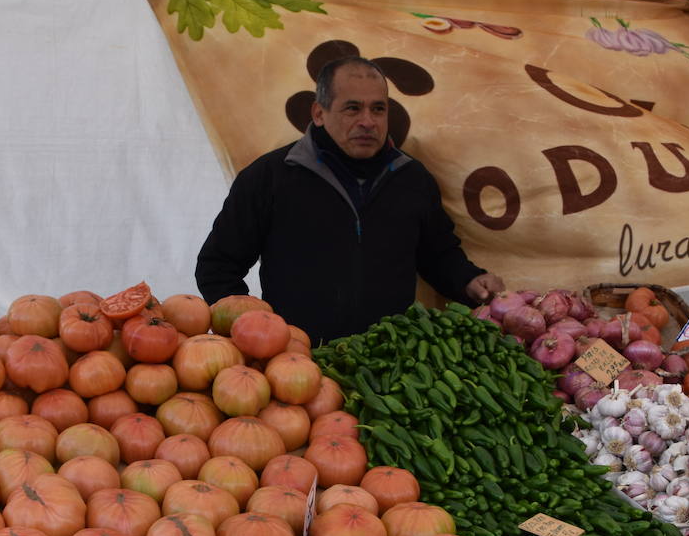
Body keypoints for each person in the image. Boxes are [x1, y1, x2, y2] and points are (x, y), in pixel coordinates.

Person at [195, 56, 504, 343]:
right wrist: (254, 330)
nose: (368, 121)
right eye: (352, 108)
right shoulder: (270, 177)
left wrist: (468, 280)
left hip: (390, 365)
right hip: (298, 365)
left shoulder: (413, 179)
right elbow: (218, 267)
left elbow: (438, 254)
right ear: (319, 113)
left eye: (378, 109)